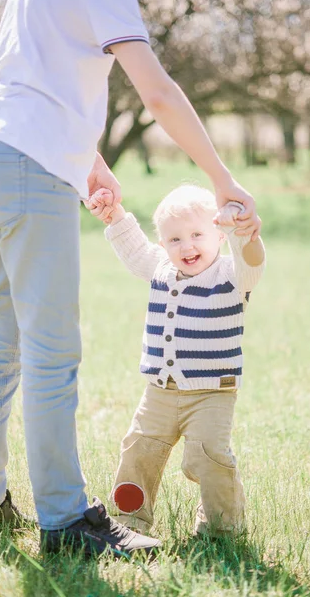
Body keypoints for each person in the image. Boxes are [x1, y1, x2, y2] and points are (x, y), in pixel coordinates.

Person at [0, 0, 260, 555]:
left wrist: (88, 157)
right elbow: (157, 92)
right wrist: (222, 179)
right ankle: (65, 521)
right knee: (52, 353)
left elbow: (34, 82)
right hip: (32, 168)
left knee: (0, 344)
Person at [87, 185, 265, 536]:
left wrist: (242, 231)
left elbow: (253, 260)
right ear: (164, 244)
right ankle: (129, 521)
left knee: (209, 455)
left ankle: (222, 528)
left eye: (198, 234)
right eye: (174, 239)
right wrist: (115, 215)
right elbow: (135, 249)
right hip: (160, 391)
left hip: (212, 392)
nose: (186, 246)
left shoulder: (231, 275)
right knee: (139, 449)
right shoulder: (161, 269)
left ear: (219, 234)